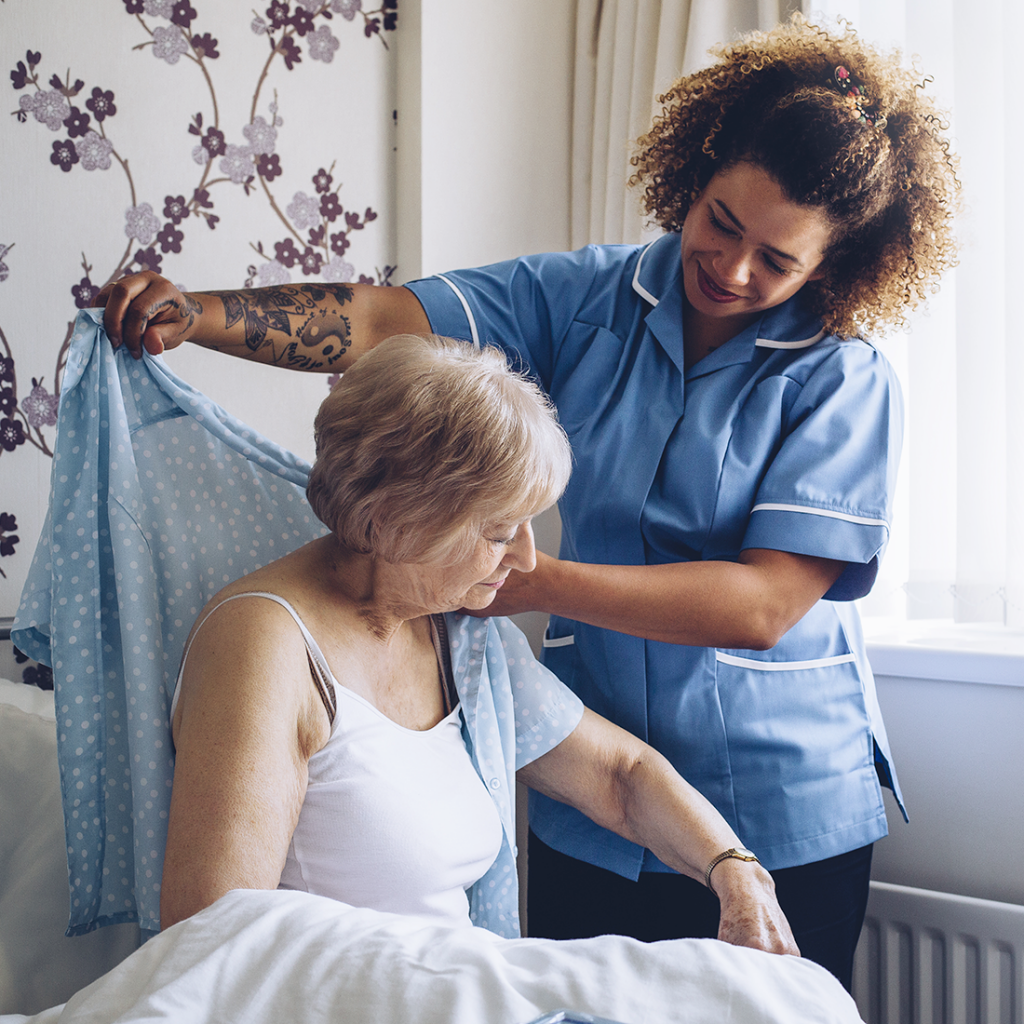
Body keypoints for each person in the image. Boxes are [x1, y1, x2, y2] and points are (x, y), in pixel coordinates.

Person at [98, 15, 959, 988]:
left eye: (778, 259)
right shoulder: (582, 298)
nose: (732, 267)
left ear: (834, 264)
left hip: (778, 793)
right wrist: (199, 315)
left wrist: (518, 573)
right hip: (589, 794)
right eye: (722, 223)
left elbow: (760, 606)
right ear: (697, 172)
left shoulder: (841, 378)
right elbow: (383, 321)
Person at [158, 331, 797, 957]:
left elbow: (620, 775)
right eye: (497, 531)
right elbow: (212, 943)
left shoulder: (456, 633)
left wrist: (735, 870)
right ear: (393, 518)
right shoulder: (266, 645)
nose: (524, 556)